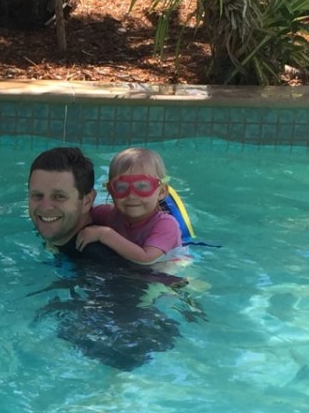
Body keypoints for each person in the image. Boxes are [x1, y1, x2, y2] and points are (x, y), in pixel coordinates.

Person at [27, 147, 196, 370]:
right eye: (37, 195)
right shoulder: (105, 218)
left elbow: (131, 347)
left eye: (59, 196)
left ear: (87, 201)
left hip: (160, 272)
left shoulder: (103, 251)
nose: (46, 206)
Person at [75, 147, 182, 264]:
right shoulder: (109, 214)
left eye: (142, 186)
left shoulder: (166, 224)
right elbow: (78, 216)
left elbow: (146, 258)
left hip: (169, 275)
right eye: (121, 187)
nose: (131, 195)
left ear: (161, 192)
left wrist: (104, 234)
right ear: (110, 191)